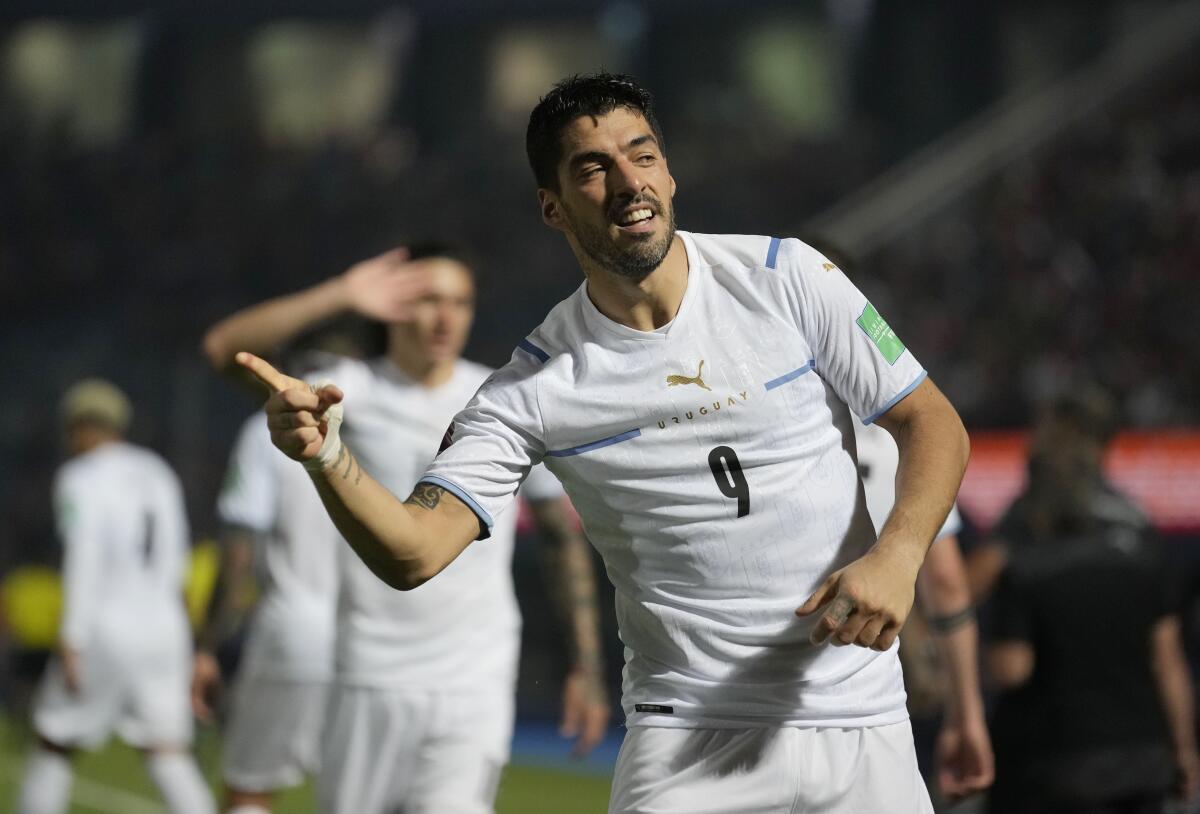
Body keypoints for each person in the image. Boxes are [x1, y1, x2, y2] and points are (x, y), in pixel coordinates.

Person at [238, 73, 969, 812]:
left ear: (669, 171)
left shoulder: (791, 278)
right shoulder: (535, 386)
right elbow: (415, 550)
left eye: (641, 155)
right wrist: (328, 456)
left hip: (864, 725)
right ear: (552, 207)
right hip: (689, 743)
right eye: (593, 167)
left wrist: (899, 555)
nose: (628, 182)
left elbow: (932, 420)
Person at [203, 244, 610, 814]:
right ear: (393, 307)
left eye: (460, 302)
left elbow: (560, 537)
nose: (446, 318)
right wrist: (341, 293)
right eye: (427, 300)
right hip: (370, 672)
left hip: (476, 676)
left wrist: (586, 669)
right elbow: (225, 351)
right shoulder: (350, 389)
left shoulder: (505, 398)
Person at [982, 390, 1200, 813]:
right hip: (1142, 754)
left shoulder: (1026, 556)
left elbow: (1011, 666)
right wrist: (1184, 751)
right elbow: (1167, 659)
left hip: (1053, 761)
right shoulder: (1139, 537)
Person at [15, 379, 215, 814]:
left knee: (54, 741)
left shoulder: (79, 476)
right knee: (167, 751)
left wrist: (72, 635)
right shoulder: (157, 470)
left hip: (107, 625)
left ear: (82, 426)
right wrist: (191, 642)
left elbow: (84, 553)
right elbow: (177, 560)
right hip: (165, 629)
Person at [190, 400, 340, 814]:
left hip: (296, 626)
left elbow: (239, 553)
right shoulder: (388, 418)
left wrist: (207, 646)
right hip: (376, 636)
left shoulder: (268, 428)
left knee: (248, 789)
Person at [853, 420, 993, 804]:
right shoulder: (902, 437)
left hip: (746, 701)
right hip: (871, 702)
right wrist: (966, 714)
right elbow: (946, 582)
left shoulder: (771, 425)